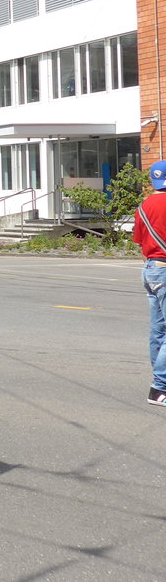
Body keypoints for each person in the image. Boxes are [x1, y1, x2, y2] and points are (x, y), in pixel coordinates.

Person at [132, 159, 166, 405]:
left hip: (150, 268)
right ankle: (159, 387)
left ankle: (160, 380)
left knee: (158, 328)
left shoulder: (143, 206)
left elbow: (139, 241)